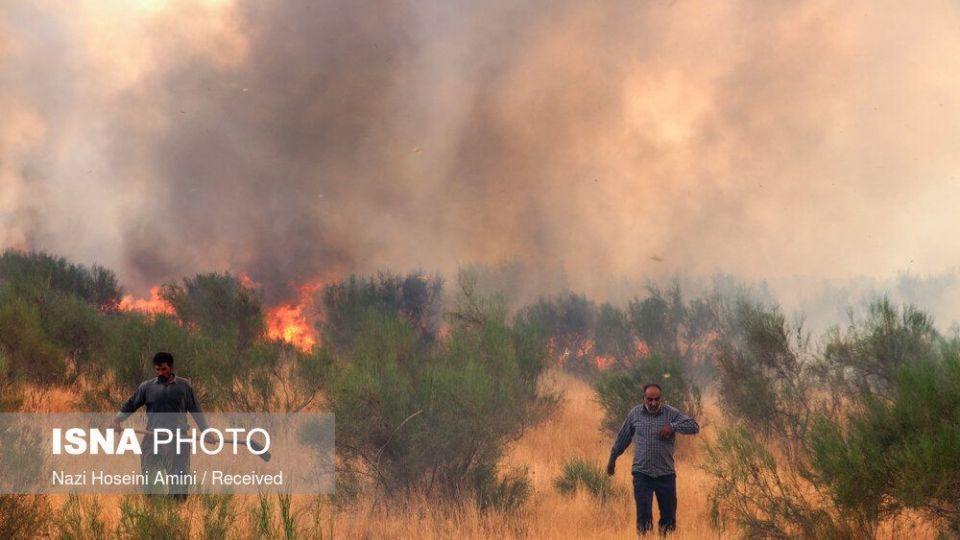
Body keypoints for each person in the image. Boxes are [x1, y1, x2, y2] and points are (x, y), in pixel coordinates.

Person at [112, 351, 208, 500]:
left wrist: (206, 432)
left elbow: (196, 410)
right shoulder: (147, 387)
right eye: (157, 370)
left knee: (178, 481)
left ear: (171, 368)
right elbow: (131, 404)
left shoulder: (184, 386)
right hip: (152, 437)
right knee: (150, 478)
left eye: (163, 369)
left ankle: (176, 514)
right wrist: (117, 420)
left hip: (177, 438)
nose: (160, 373)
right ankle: (154, 511)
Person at [606, 383, 700, 536]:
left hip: (666, 474)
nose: (653, 403)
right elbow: (622, 439)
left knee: (669, 518)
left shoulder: (671, 413)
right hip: (642, 474)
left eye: (657, 399)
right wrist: (612, 460)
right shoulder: (635, 414)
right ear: (644, 398)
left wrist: (672, 426)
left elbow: (694, 426)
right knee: (644, 518)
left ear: (661, 398)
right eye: (650, 399)